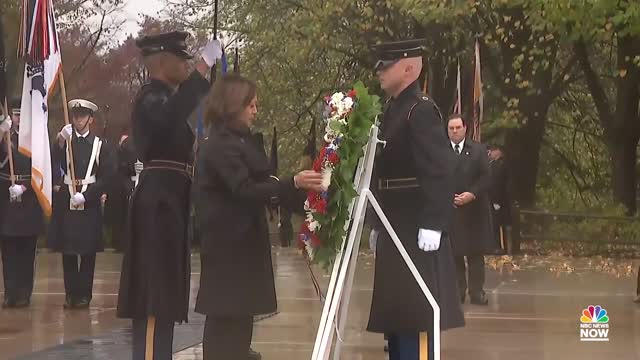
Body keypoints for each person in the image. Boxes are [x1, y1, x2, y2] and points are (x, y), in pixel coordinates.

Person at [193, 74, 324, 360]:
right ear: (232, 105)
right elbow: (244, 188)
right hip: (228, 245)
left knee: (240, 318)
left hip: (242, 245)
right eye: (250, 105)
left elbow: (266, 183)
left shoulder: (239, 141)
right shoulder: (220, 145)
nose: (255, 111)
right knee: (226, 320)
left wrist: (303, 196)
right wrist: (293, 183)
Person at [116, 31, 222, 360]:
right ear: (162, 61)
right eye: (182, 60)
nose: (186, 66)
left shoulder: (164, 99)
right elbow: (168, 118)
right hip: (157, 206)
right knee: (154, 298)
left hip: (169, 204)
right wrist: (202, 70)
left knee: (164, 300)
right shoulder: (151, 98)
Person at [367, 39, 465, 360]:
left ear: (409, 67)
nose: (379, 72)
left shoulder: (419, 110)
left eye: (387, 65)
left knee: (417, 313)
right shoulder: (393, 107)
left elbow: (440, 169)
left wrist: (434, 222)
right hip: (395, 223)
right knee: (398, 314)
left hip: (415, 226)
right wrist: (376, 221)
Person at [48, 99, 116, 309]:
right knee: (68, 252)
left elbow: (107, 176)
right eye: (75, 116)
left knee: (87, 252)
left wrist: (88, 196)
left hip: (89, 201)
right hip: (67, 200)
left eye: (82, 116)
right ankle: (71, 294)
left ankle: (84, 294)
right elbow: (50, 161)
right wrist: (59, 140)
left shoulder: (100, 144)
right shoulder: (65, 141)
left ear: (90, 119)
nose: (78, 119)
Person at [446, 114, 495, 305]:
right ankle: (458, 292)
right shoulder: (441, 151)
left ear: (465, 128)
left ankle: (477, 292)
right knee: (454, 254)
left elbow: (487, 177)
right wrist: (447, 196)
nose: (455, 131)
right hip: (451, 208)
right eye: (451, 128)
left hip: (474, 209)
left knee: (475, 253)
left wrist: (472, 194)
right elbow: (434, 176)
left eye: (458, 127)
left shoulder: (478, 150)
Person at [0, 98, 44, 308]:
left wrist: (25, 186)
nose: (18, 119)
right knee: (8, 251)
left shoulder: (36, 139)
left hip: (29, 198)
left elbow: (42, 169)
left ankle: (24, 293)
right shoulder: (6, 136)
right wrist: (1, 133)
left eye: (21, 115)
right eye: (16, 115)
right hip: (7, 199)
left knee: (27, 251)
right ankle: (10, 292)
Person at [488, 145, 511, 254]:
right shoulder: (493, 164)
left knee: (498, 224)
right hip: (493, 199)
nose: (490, 153)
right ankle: (495, 246)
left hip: (498, 201)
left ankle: (500, 246)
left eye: (492, 151)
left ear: (498, 152)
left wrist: (496, 201)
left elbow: (497, 184)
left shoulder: (499, 165)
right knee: (494, 224)